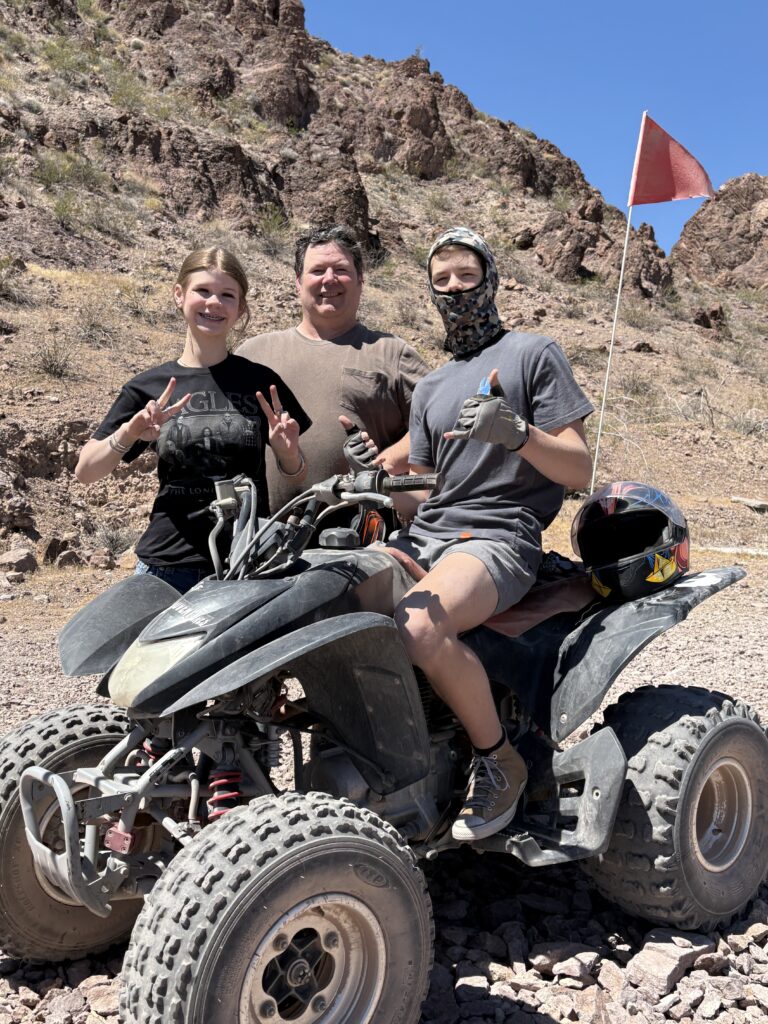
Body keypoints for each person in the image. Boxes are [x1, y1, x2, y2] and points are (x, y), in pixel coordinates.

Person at [385, 227, 594, 842]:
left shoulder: (534, 353)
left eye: (465, 276)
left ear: (491, 278)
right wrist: (378, 477)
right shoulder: (431, 385)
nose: (454, 289)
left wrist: (518, 433)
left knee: (419, 624)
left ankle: (498, 758)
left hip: (500, 536)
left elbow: (580, 469)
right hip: (429, 533)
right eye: (441, 280)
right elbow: (427, 489)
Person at [75, 247, 311, 593]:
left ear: (240, 308)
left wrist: (288, 453)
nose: (214, 302)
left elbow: (297, 475)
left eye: (227, 295)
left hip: (248, 562)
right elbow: (86, 471)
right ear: (179, 295)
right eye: (203, 291)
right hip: (167, 567)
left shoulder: (261, 383)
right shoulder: (149, 387)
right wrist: (130, 432)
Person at [237, 224, 429, 514]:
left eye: (341, 270)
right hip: (263, 539)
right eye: (317, 271)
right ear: (298, 282)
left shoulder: (391, 352)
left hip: (364, 542)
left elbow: (439, 420)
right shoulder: (253, 354)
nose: (329, 279)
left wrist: (384, 464)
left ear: (360, 280)